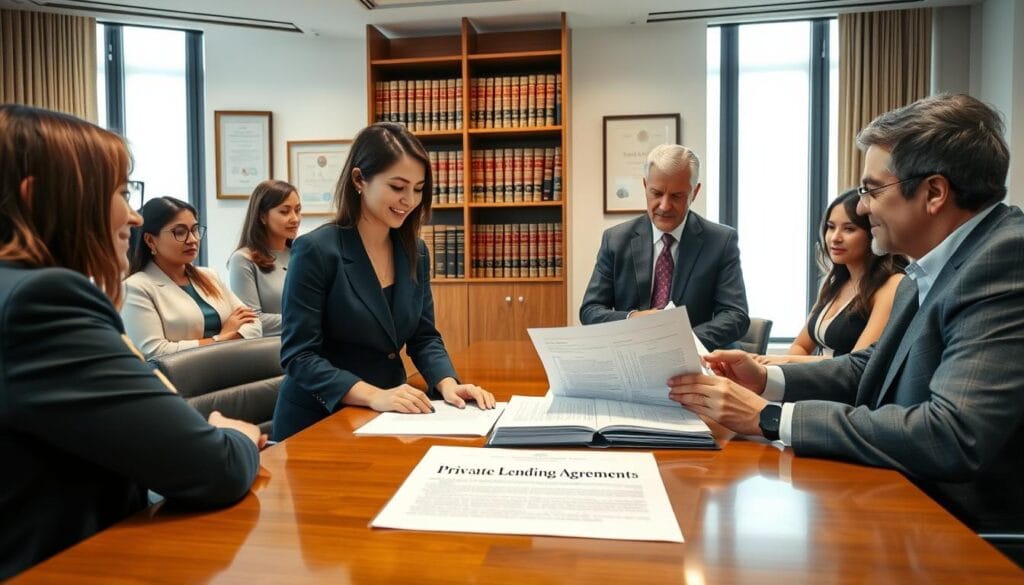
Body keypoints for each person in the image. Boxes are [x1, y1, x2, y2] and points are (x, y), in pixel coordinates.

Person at [667, 94, 1024, 553]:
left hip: (957, 534)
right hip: (901, 498)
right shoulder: (927, 269)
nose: (863, 207)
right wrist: (768, 380)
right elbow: (869, 367)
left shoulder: (1003, 261)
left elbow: (952, 434)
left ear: (934, 193)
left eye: (873, 190)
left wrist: (771, 418)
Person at [0, 104, 262, 580]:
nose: (135, 216)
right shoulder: (43, 301)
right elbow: (212, 469)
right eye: (119, 192)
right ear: (39, 199)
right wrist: (237, 438)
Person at [272, 122, 495, 441]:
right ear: (359, 179)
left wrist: (447, 383)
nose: (409, 200)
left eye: (418, 189)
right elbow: (299, 356)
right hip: (319, 421)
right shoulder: (316, 250)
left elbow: (423, 335)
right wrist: (373, 395)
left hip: (389, 416)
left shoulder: (415, 250)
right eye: (397, 187)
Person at [579, 144, 749, 350]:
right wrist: (632, 319)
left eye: (677, 196)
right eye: (657, 193)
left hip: (693, 358)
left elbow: (736, 316)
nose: (664, 206)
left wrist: (682, 340)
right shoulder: (616, 240)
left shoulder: (721, 241)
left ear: (695, 192)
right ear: (644, 186)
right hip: (632, 357)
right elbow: (590, 310)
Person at [756, 189, 906, 364]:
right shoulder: (834, 282)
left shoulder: (892, 285)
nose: (835, 238)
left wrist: (784, 361)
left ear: (873, 232)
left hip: (849, 388)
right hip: (818, 384)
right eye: (831, 227)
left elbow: (856, 365)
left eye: (849, 229)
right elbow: (801, 346)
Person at [122, 196, 262, 359]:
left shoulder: (209, 276)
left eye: (195, 230)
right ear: (150, 240)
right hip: (182, 381)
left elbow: (253, 322)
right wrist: (220, 339)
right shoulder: (135, 287)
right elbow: (156, 352)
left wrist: (219, 341)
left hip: (230, 371)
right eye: (180, 232)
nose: (193, 240)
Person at [228, 179, 302, 336]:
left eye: (297, 210)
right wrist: (309, 320)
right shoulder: (242, 260)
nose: (295, 218)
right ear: (262, 216)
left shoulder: (300, 253)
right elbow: (252, 321)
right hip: (272, 351)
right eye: (285, 211)